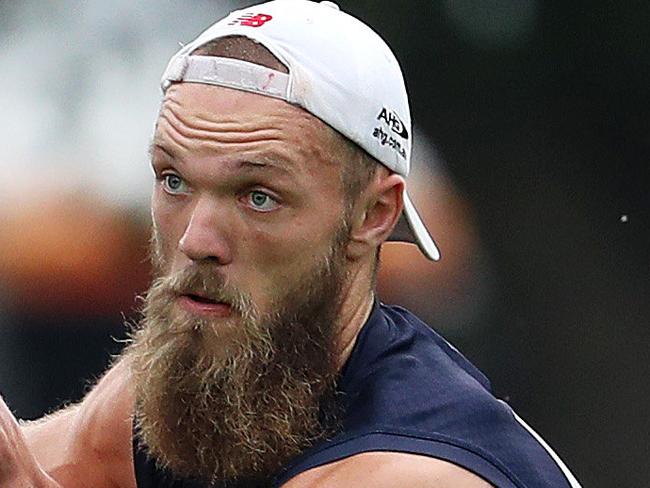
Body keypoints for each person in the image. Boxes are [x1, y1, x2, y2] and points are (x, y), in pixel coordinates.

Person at [0, 1, 582, 487]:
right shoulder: (193, 387)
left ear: (375, 213)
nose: (197, 240)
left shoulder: (414, 471)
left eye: (257, 196)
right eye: (174, 181)